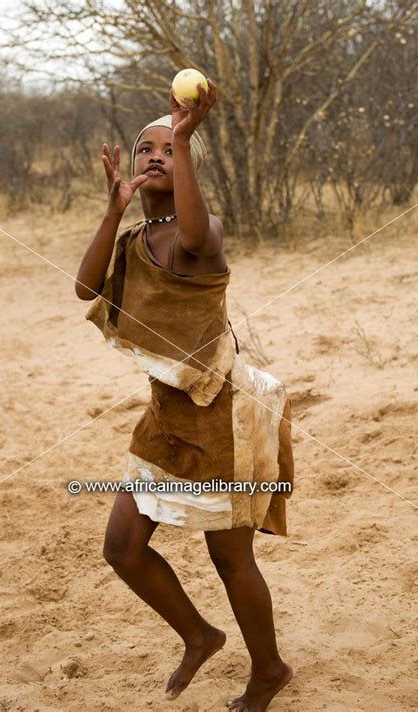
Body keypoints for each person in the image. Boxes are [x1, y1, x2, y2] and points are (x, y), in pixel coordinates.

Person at [75, 77, 294, 711]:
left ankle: (270, 670)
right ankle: (199, 635)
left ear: (189, 157)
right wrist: (114, 208)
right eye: (146, 147)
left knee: (230, 559)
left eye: (167, 149)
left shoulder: (201, 235)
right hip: (168, 417)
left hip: (225, 417)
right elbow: (86, 290)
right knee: (122, 547)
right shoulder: (134, 240)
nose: (155, 155)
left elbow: (196, 237)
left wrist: (187, 138)